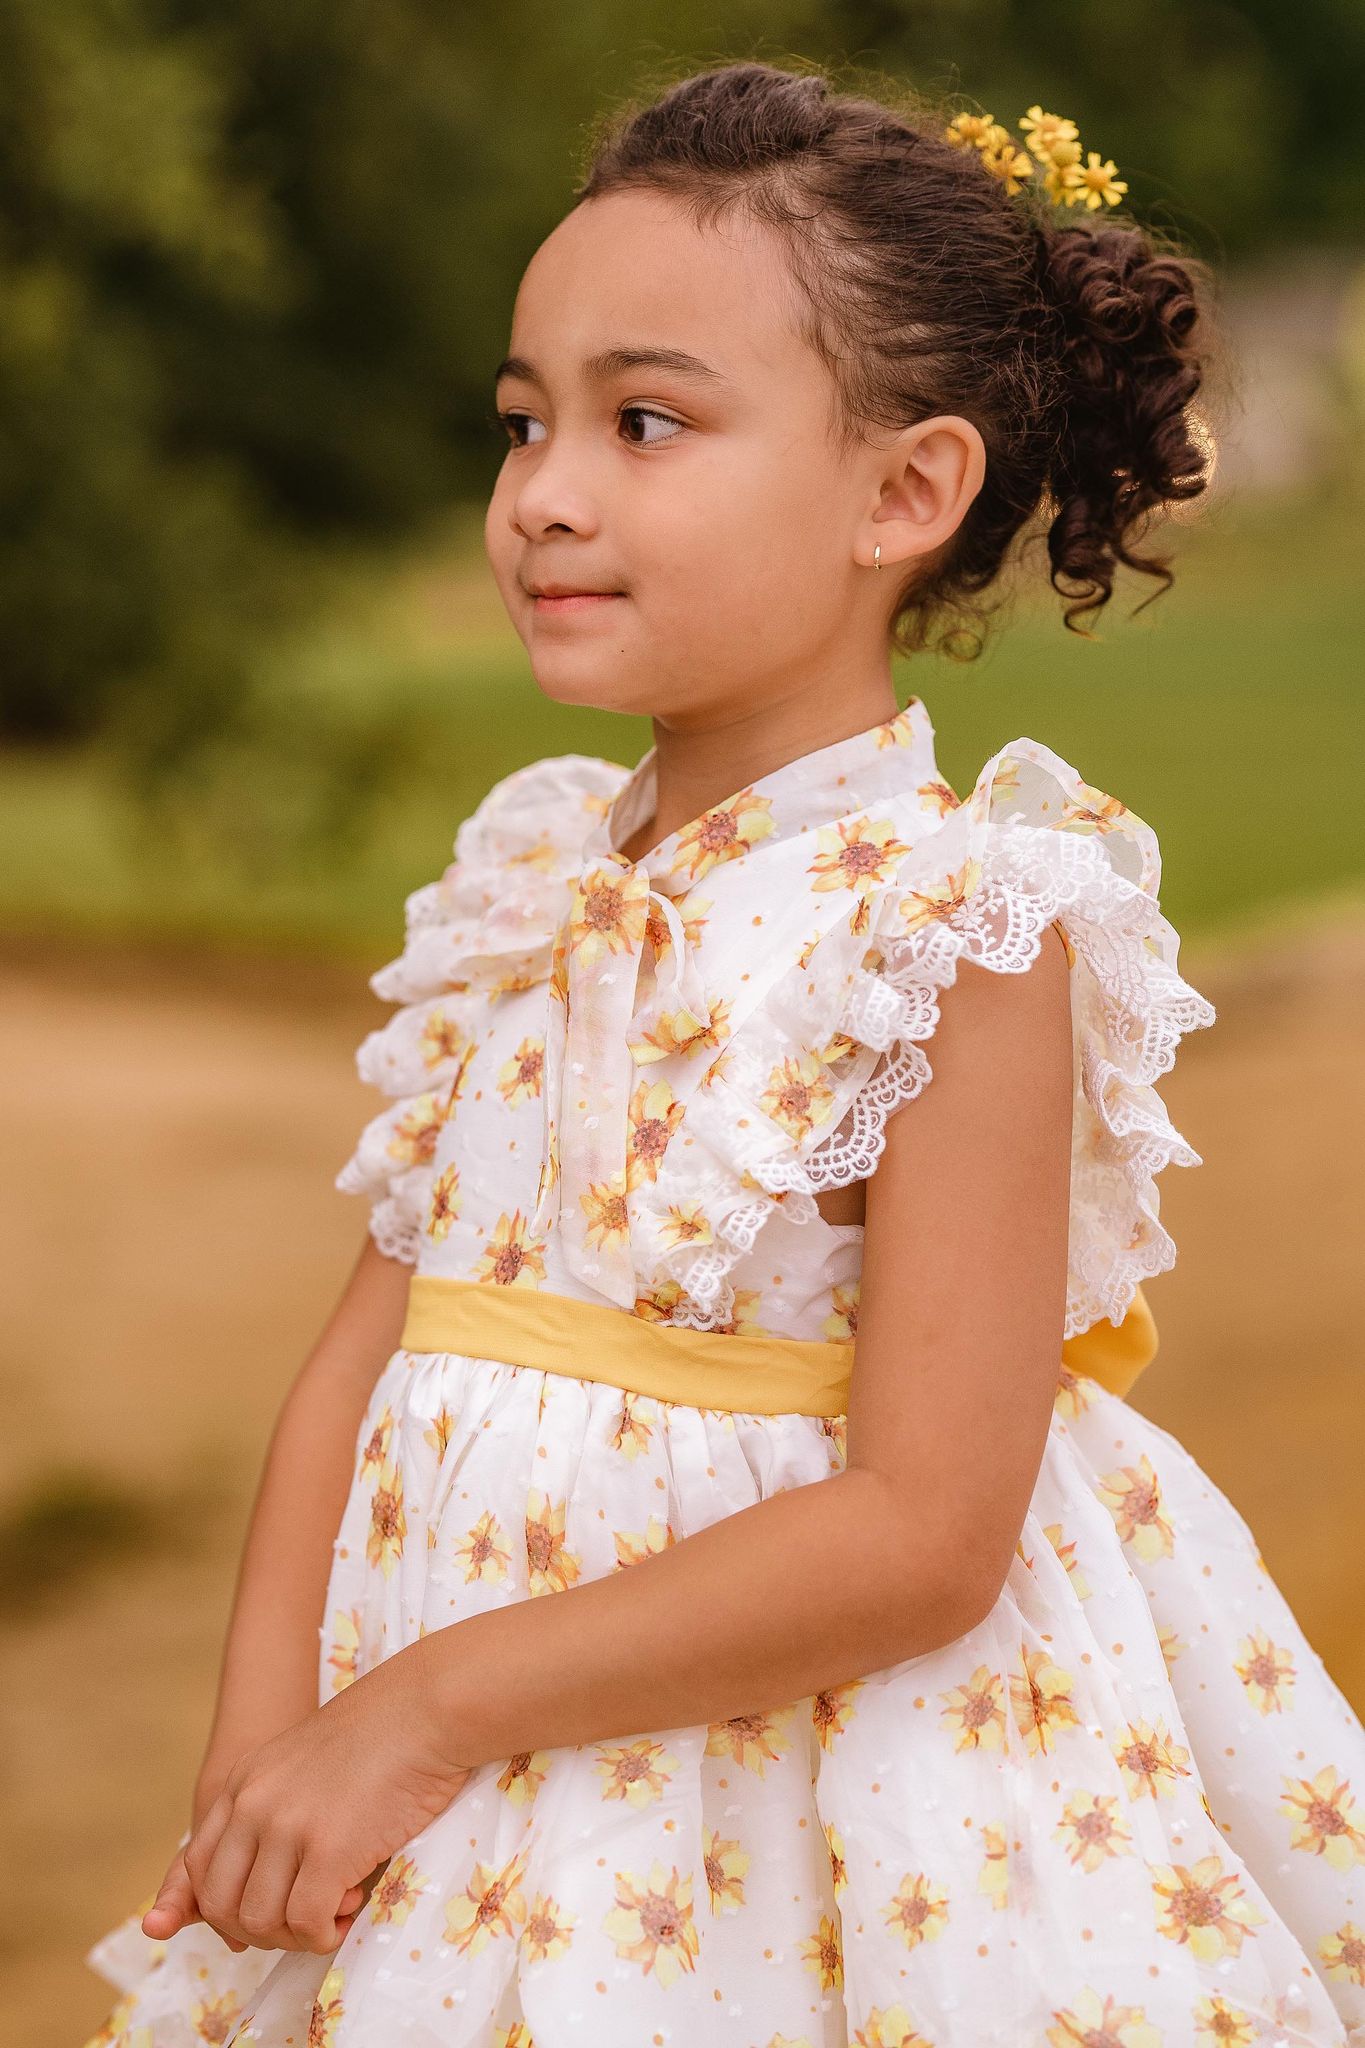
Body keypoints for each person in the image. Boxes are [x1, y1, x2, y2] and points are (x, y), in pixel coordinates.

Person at [81, 58, 1365, 2048]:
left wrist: (423, 1709)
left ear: (901, 491)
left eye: (643, 420)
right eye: (524, 422)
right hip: (440, 1828)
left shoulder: (953, 930)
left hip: (775, 1827)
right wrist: (274, 1745)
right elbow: (368, 1351)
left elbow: (925, 1527)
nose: (544, 492)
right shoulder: (520, 881)